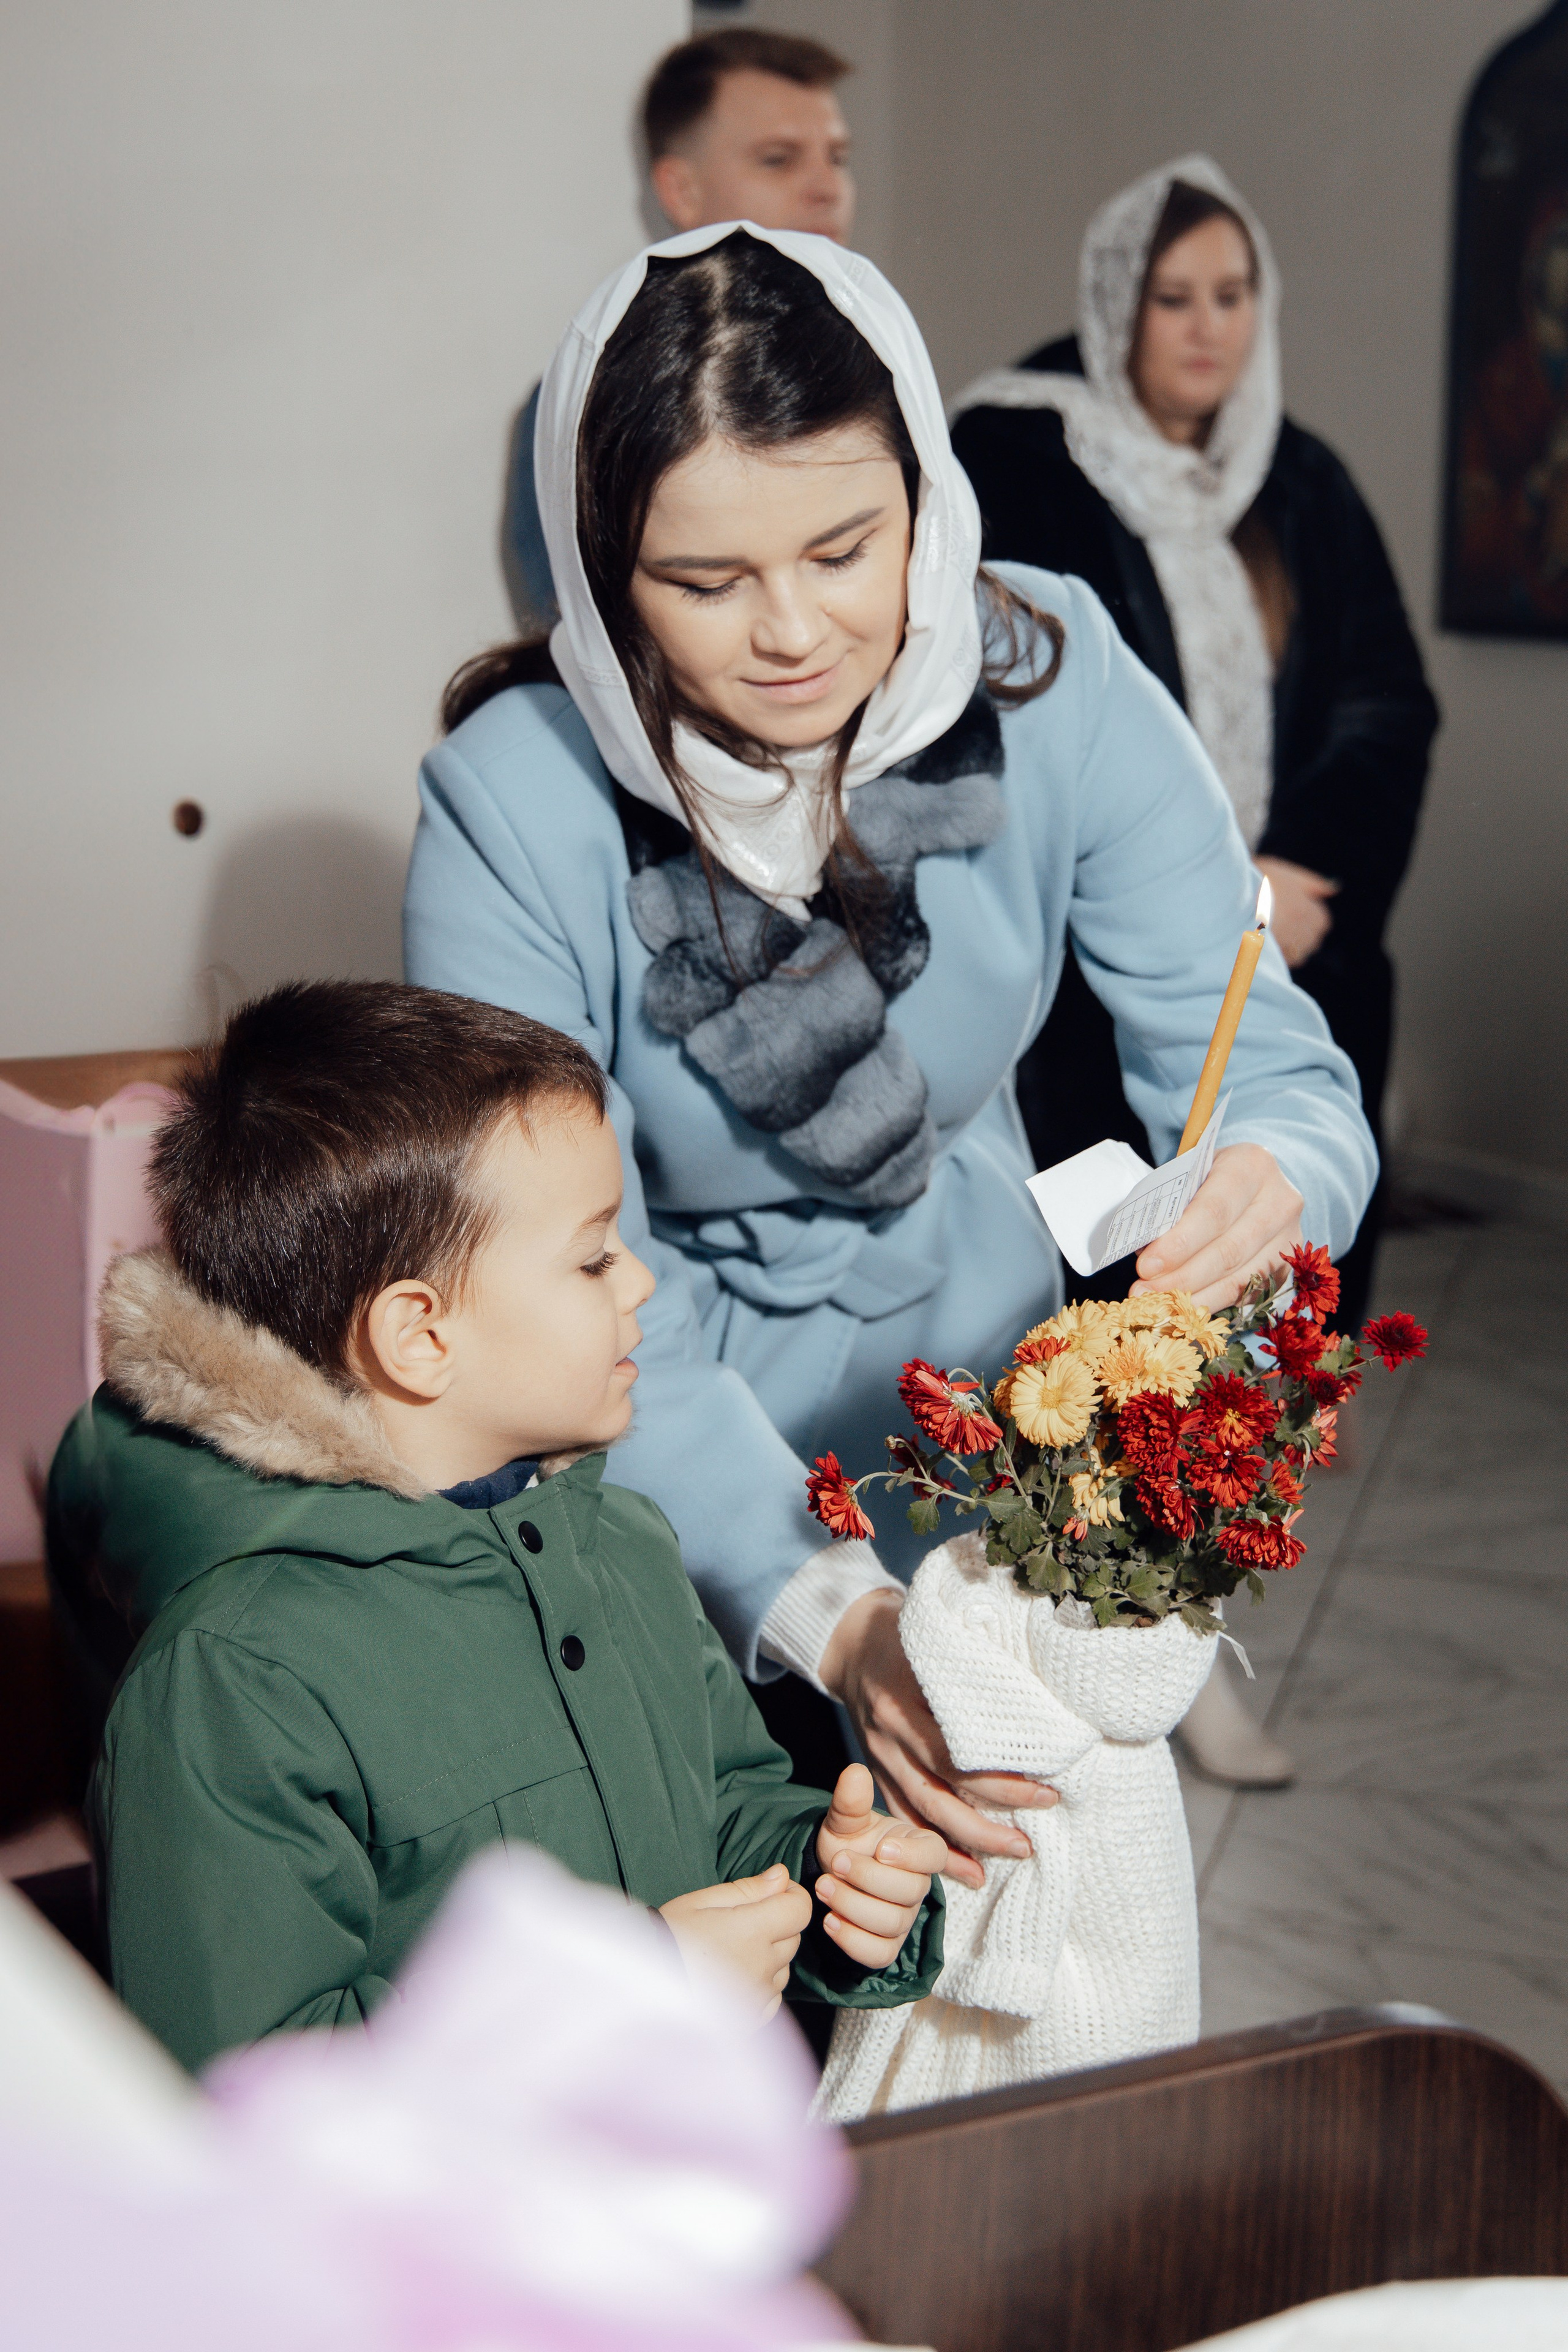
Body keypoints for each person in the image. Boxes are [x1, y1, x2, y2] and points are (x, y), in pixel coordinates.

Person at [404, 224, 1376, 1885]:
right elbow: (545, 1283)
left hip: (987, 1392)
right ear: (594, 569)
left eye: (848, 549)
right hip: (644, 1427)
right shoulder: (516, 802)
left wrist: (1274, 1169)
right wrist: (830, 1613)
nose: (792, 632)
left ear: (926, 499)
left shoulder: (1051, 674)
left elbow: (1258, 1049)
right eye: (702, 583)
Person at [47, 981, 944, 2071]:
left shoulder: (618, 1543)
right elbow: (248, 2097)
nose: (645, 1281)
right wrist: (625, 1993)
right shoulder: (234, 1681)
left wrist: (824, 1876)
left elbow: (727, 1806)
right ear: (420, 1336)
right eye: (595, 1254)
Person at [949, 156, 1438, 1789]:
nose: (1209, 328)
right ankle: (1053, 1622)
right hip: (1089, 992)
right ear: (1115, 308)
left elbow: (1385, 702)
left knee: (1245, 1320)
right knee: (1097, 1314)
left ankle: (1190, 1626)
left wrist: (1299, 881)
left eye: (1235, 296)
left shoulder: (1298, 477)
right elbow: (1000, 716)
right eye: (1175, 297)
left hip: (1282, 952)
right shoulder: (1018, 454)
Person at [503, 27, 853, 633]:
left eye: (838, 158)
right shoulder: (590, 404)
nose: (827, 189)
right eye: (779, 159)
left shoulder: (876, 371)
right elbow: (585, 648)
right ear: (681, 191)